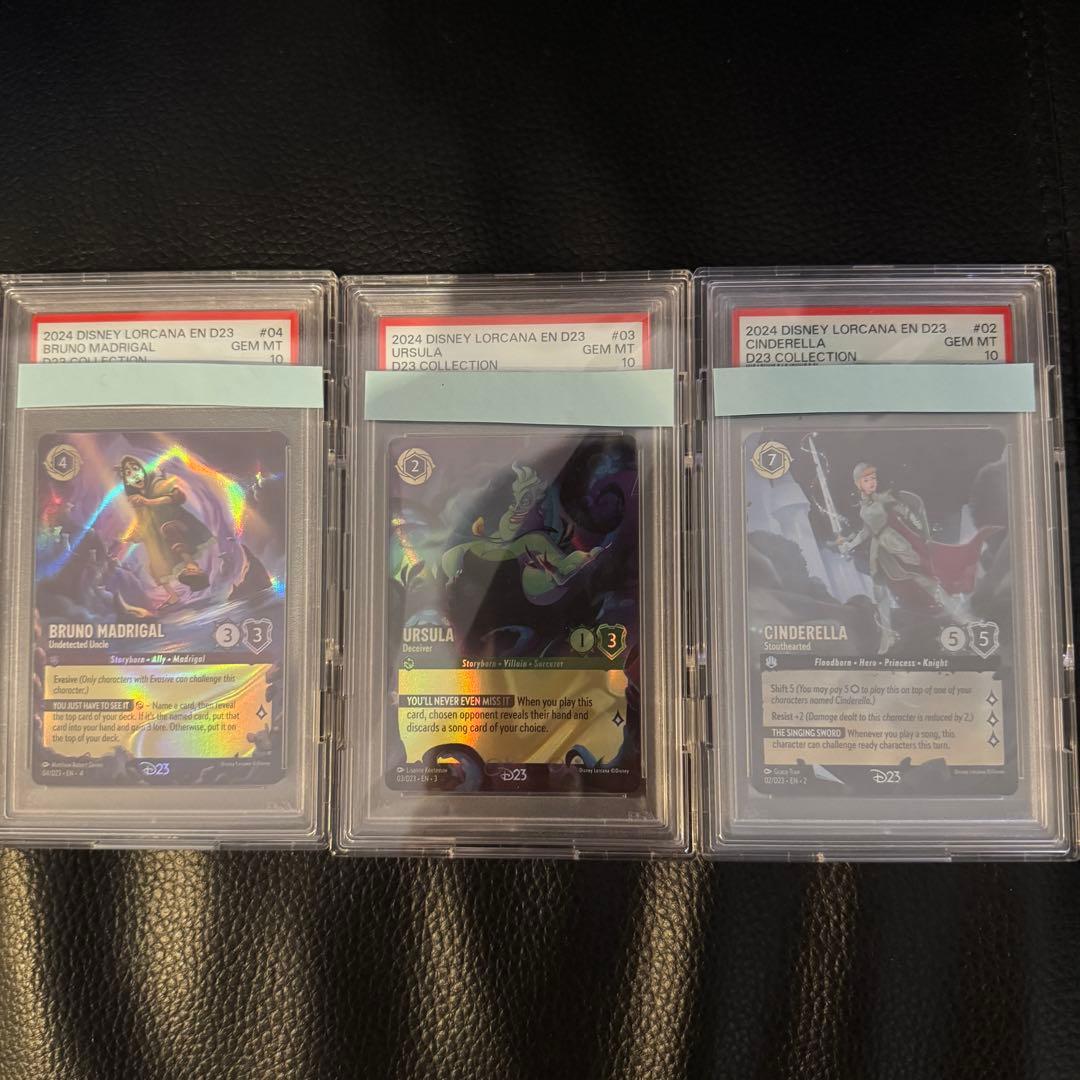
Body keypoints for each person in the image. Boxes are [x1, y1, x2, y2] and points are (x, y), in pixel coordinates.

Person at [837, 462, 993, 653]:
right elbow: (865, 532)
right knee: (880, 592)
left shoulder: (885, 499)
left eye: (873, 479)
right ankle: (887, 636)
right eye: (866, 480)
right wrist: (849, 544)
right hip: (879, 551)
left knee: (926, 582)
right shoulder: (864, 508)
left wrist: (921, 531)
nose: (871, 483)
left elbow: (909, 513)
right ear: (858, 484)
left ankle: (965, 618)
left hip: (895, 544)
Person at [116, 455, 213, 607]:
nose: (134, 475)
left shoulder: (158, 484)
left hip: (180, 526)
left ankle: (191, 565)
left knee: (169, 529)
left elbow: (177, 497)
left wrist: (149, 502)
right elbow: (142, 521)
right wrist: (132, 535)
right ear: (126, 480)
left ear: (143, 469)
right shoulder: (136, 498)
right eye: (128, 473)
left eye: (135, 469)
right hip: (158, 537)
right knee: (156, 566)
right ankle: (173, 596)